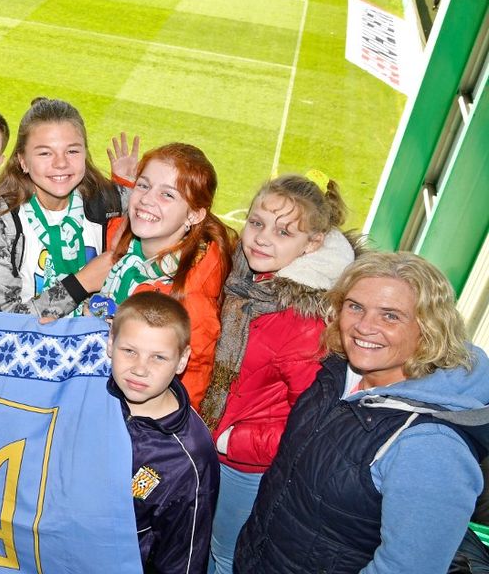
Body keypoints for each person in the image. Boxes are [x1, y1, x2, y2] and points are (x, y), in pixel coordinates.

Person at [236, 252, 488, 574]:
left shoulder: (431, 447)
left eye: (391, 316)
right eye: (355, 306)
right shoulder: (340, 371)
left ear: (428, 329)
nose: (364, 327)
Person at [197, 174, 356, 574]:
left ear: (313, 244)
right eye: (256, 223)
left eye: (284, 232)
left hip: (244, 466)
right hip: (212, 445)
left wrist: (238, 441)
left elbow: (314, 420)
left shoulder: (304, 321)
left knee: (225, 555)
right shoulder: (247, 281)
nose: (262, 239)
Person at [96, 144, 233, 408]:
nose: (146, 200)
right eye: (143, 186)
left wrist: (163, 432)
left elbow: (191, 381)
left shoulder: (190, 295)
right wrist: (123, 185)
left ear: (194, 214)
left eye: (167, 195)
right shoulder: (119, 241)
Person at [0, 98, 129, 317]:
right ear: (23, 161)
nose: (61, 163)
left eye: (72, 151)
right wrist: (81, 284)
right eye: (45, 153)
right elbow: (4, 317)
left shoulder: (104, 199)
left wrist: (133, 200)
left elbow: (165, 214)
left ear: (85, 154)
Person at [109, 291, 219, 574]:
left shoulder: (190, 457)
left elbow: (184, 559)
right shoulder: (90, 395)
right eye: (129, 351)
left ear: (182, 361)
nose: (140, 369)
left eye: (158, 357)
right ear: (110, 344)